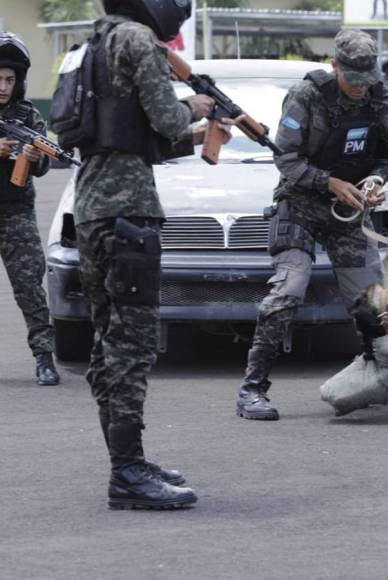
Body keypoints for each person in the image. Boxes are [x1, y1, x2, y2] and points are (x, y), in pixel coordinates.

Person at [73, 0, 216, 509]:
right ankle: (127, 473)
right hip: (128, 213)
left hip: (93, 206)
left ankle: (127, 462)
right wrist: (193, 109)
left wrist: (190, 129)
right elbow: (166, 119)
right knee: (131, 345)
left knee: (108, 341)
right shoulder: (137, 39)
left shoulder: (96, 42)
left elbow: (129, 132)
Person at [236, 29, 388, 422]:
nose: (361, 88)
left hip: (349, 212)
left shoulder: (383, 100)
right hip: (301, 206)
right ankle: (252, 389)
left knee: (373, 302)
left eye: (367, 79)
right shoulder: (306, 97)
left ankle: (383, 374)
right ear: (335, 66)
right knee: (289, 289)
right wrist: (329, 182)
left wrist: (375, 183)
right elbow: (287, 161)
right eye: (353, 80)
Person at [0, 33, 60, 386]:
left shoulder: (27, 116)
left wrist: (33, 159)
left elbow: (42, 167)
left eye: (9, 80)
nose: (3, 87)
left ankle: (44, 357)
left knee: (29, 286)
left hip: (15, 213)